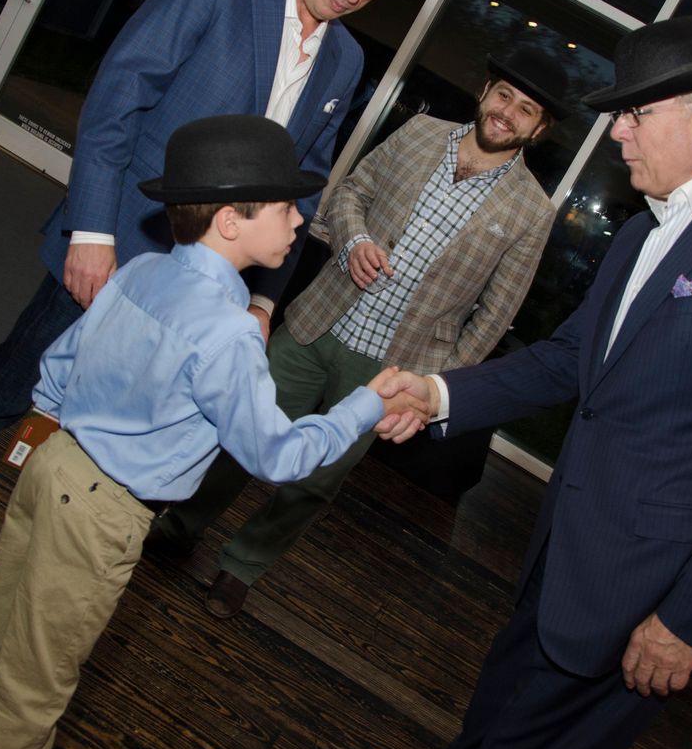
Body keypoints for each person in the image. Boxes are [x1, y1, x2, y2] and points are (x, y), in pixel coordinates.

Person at [377, 16, 692, 749]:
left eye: (636, 114)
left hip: (648, 605)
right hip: (559, 571)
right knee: (481, 737)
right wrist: (439, 394)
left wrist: (691, 619)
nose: (616, 134)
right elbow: (567, 358)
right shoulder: (643, 232)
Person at [0, 0, 430, 516]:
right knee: (12, 384)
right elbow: (119, 98)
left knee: (124, 440)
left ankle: (51, 555)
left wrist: (259, 302)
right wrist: (91, 232)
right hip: (116, 249)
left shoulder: (345, 62)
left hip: (205, 294)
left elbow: (301, 191)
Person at [0, 115, 427, 749]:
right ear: (231, 221)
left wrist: (56, 436)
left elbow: (56, 371)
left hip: (52, 465)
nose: (300, 221)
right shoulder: (228, 333)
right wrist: (361, 407)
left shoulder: (139, 274)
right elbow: (276, 455)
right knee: (34, 690)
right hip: (102, 514)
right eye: (285, 207)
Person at [148, 46, 569, 618]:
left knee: (315, 482)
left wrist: (431, 388)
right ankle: (183, 525)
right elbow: (351, 192)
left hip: (390, 375)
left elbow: (494, 315)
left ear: (538, 129)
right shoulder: (419, 131)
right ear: (485, 92)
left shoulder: (532, 211)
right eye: (503, 96)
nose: (506, 114)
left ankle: (241, 566)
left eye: (525, 111)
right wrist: (353, 241)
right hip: (318, 323)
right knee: (236, 433)